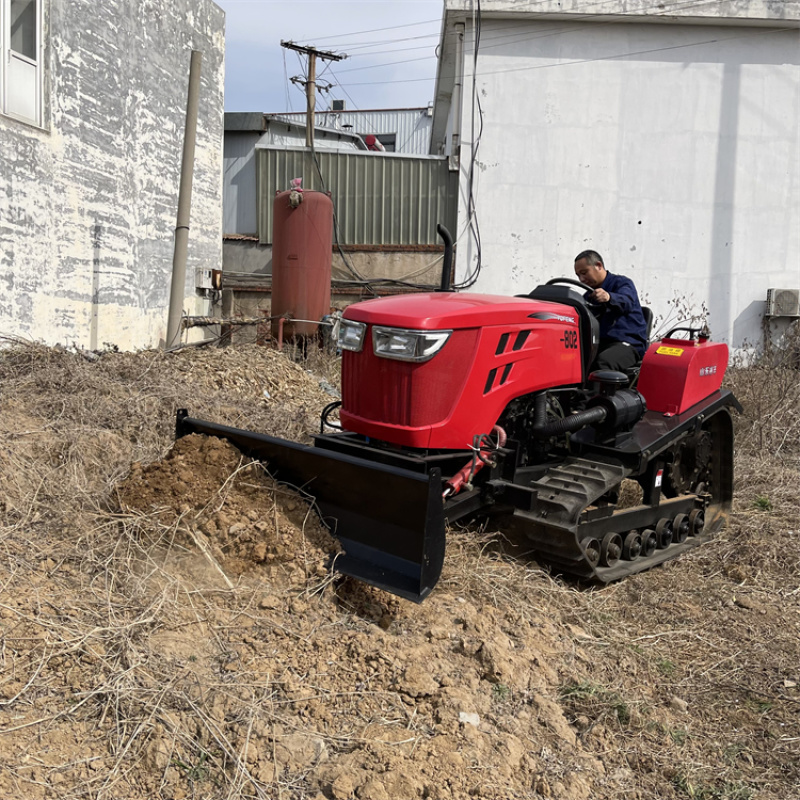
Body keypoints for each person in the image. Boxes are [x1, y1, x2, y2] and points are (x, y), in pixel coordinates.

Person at [574, 250, 648, 372]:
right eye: (578, 275)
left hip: (628, 344)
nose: (581, 279)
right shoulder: (588, 296)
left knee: (604, 362)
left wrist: (609, 297)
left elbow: (626, 301)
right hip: (599, 343)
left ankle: (602, 391)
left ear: (598, 266)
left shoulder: (622, 283)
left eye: (584, 273)